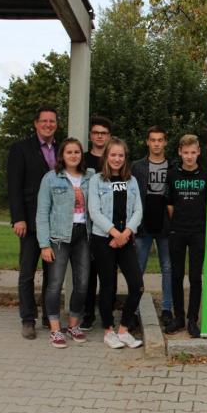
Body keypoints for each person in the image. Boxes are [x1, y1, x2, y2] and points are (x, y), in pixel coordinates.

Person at [36, 138, 94, 348]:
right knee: (55, 284)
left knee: (82, 283)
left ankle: (73, 325)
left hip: (83, 236)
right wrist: (44, 244)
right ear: (62, 155)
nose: (73, 155)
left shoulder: (91, 177)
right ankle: (54, 329)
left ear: (81, 155)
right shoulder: (51, 178)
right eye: (69, 152)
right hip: (59, 237)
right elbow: (42, 213)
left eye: (77, 152)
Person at [88, 138, 144, 349]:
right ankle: (108, 330)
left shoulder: (132, 181)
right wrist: (114, 233)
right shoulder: (96, 180)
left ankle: (124, 329)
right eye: (113, 155)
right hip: (103, 240)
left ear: (124, 157)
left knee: (137, 285)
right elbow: (94, 212)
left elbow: (138, 210)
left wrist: (126, 233)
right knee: (108, 286)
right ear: (106, 156)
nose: (117, 159)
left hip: (126, 239)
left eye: (121, 155)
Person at [8, 105, 58, 339]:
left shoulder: (61, 149)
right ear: (36, 123)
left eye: (52, 121)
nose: (48, 124)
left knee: (52, 274)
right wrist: (18, 218)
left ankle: (50, 316)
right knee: (27, 272)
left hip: (54, 223)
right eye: (44, 121)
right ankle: (28, 319)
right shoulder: (21, 149)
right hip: (29, 222)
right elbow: (14, 187)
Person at [164, 134, 207, 338]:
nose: (189, 156)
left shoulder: (206, 175)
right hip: (177, 231)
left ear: (198, 152)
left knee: (195, 277)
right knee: (176, 275)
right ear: (180, 152)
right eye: (186, 152)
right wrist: (178, 224)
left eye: (193, 152)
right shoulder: (172, 175)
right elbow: (170, 205)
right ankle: (178, 317)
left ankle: (192, 320)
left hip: (198, 232)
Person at [131, 126, 174, 327]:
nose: (156, 143)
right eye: (153, 140)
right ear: (147, 142)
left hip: (165, 222)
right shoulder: (137, 166)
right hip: (143, 222)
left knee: (168, 267)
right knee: (139, 267)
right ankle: (135, 308)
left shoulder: (173, 166)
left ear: (165, 142)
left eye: (160, 140)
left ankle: (167, 308)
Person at [81, 116, 114, 331]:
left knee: (108, 274)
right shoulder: (82, 160)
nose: (99, 136)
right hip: (85, 223)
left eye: (103, 132)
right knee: (88, 272)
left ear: (109, 136)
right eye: (96, 132)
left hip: (111, 226)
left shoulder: (114, 158)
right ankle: (87, 314)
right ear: (91, 135)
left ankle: (107, 315)